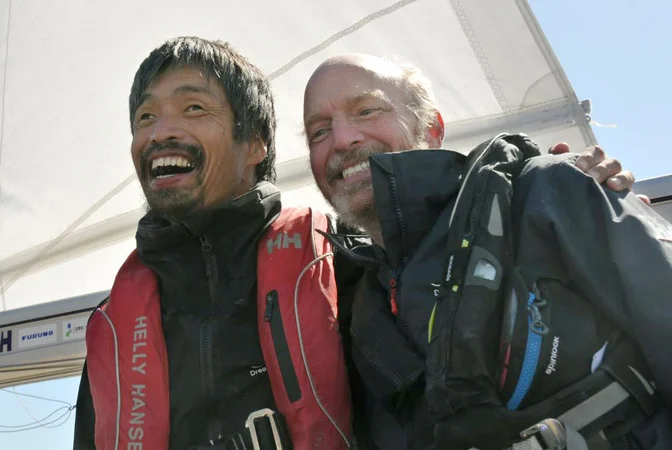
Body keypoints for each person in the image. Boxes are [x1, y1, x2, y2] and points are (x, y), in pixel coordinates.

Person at [72, 37, 636, 450]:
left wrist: (541, 188)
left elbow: (439, 233)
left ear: (254, 147)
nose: (159, 131)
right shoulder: (113, 329)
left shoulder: (347, 268)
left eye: (192, 108)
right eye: (145, 116)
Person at [303, 54, 672, 449]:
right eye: (319, 132)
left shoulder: (551, 191)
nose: (342, 140)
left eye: (366, 110)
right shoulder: (342, 309)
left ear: (432, 128)